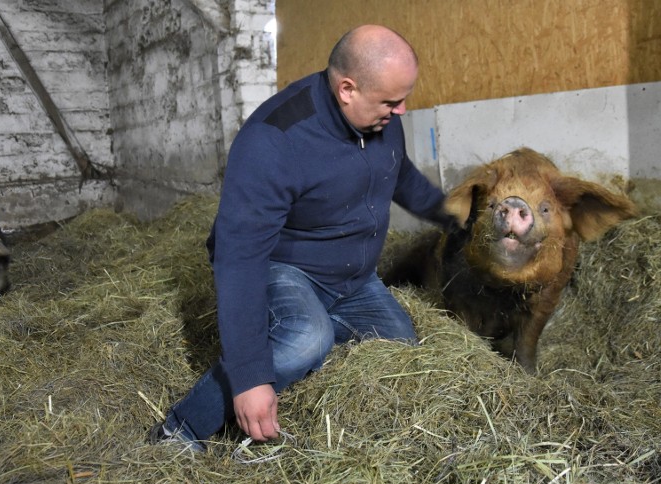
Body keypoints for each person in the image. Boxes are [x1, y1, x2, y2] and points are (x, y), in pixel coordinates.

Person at [149, 24, 453, 451]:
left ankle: (303, 327)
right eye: (391, 101)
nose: (401, 110)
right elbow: (239, 261)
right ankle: (181, 429)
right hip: (284, 265)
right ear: (347, 89)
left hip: (354, 276)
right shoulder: (273, 140)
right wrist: (251, 376)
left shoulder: (380, 117)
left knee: (400, 345)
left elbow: (399, 173)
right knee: (305, 340)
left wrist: (454, 215)